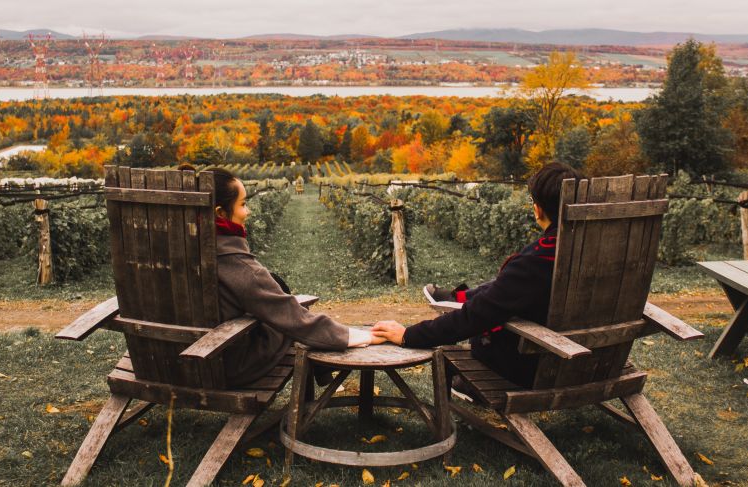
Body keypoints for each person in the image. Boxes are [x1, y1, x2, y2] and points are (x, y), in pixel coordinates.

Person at [371, 162, 584, 389]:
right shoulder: (593, 249)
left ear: (538, 209)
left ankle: (468, 384)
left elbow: (475, 317)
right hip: (590, 363)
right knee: (496, 293)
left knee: (478, 338)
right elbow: (506, 290)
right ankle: (461, 297)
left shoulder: (537, 261)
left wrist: (408, 335)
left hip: (538, 368)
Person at [204, 167, 379, 387]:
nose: (248, 211)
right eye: (243, 204)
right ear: (220, 213)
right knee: (291, 321)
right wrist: (360, 336)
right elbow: (293, 318)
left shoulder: (180, 251)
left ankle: (323, 374)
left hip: (184, 362)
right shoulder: (237, 264)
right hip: (228, 365)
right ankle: (323, 375)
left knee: (278, 287)